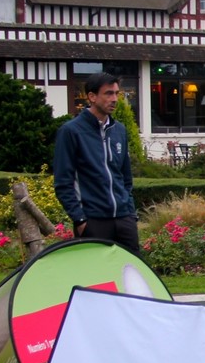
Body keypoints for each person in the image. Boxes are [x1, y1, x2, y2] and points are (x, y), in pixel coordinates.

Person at [53, 71, 140, 255]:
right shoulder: (71, 131)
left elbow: (125, 177)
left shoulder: (119, 130)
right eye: (108, 93)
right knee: (96, 274)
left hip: (124, 220)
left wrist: (130, 213)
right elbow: (63, 182)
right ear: (92, 97)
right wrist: (80, 220)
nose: (114, 99)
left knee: (131, 271)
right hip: (93, 221)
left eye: (116, 93)